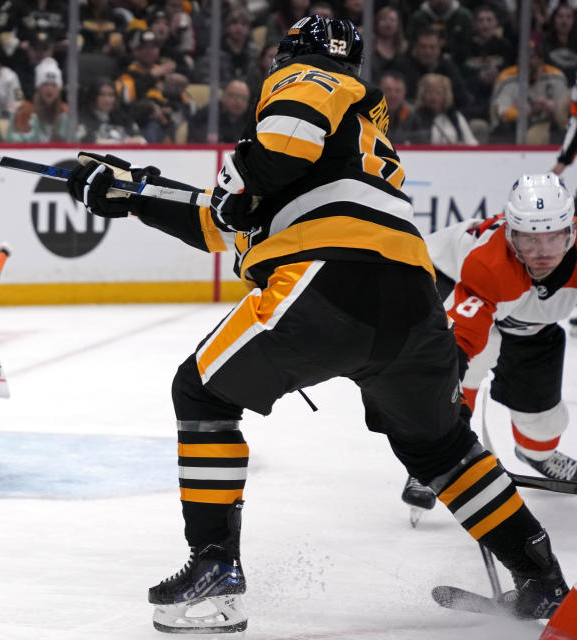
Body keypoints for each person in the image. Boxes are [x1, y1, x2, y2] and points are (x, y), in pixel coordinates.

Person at [64, 15, 568, 634]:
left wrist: (228, 183)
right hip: (411, 298)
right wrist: (131, 194)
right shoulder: (345, 148)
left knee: (201, 391)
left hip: (329, 281)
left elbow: (275, 152)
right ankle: (542, 580)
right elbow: (230, 220)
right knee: (440, 447)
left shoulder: (307, 83)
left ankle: (216, 569)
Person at [401, 173, 577, 518]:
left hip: (527, 316)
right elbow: (460, 345)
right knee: (468, 369)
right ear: (510, 235)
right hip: (453, 278)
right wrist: (439, 440)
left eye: (553, 240)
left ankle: (537, 453)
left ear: (571, 231)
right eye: (529, 240)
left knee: (542, 419)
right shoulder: (488, 263)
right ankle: (432, 455)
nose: (542, 254)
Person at [396, 73, 478, 144]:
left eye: (438, 92)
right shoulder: (414, 117)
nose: (433, 96)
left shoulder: (454, 116)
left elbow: (471, 142)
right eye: (429, 92)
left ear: (446, 95)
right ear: (422, 94)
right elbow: (407, 142)